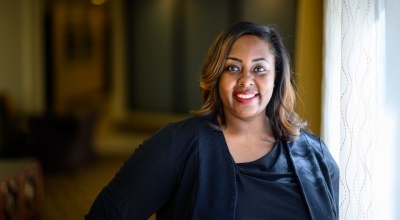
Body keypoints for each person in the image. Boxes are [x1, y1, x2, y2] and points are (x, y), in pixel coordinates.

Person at [85, 21, 339, 220]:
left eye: (259, 68)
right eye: (232, 67)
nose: (246, 80)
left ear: (277, 77)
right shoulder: (177, 145)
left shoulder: (315, 154)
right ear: (216, 76)